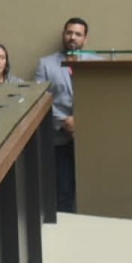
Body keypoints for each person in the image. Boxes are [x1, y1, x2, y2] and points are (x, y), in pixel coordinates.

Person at [33, 17, 91, 212]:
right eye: (69, 33)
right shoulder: (45, 64)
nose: (73, 37)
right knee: (63, 194)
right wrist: (65, 120)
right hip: (59, 140)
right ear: (63, 35)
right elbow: (40, 100)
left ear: (85, 39)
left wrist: (83, 122)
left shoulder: (97, 63)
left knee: (91, 192)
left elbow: (105, 99)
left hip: (91, 141)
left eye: (78, 34)